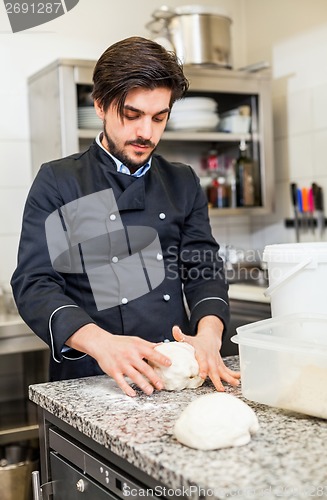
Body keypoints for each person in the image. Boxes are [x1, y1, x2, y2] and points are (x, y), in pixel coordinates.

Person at [11, 36, 240, 397]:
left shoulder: (181, 181)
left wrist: (209, 335)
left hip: (177, 374)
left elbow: (203, 267)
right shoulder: (61, 181)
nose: (146, 133)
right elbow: (35, 283)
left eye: (159, 118)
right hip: (93, 380)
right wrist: (102, 343)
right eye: (132, 115)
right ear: (100, 105)